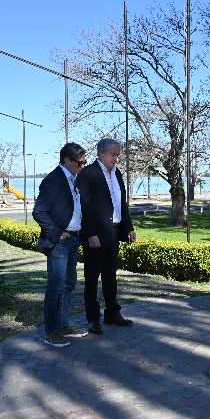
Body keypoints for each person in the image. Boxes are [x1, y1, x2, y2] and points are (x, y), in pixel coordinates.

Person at [32, 143, 89, 346]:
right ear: (66, 159)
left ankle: (63, 325)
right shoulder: (54, 180)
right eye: (79, 163)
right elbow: (39, 212)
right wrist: (57, 233)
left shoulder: (73, 178)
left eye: (84, 162)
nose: (83, 166)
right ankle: (51, 331)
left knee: (68, 284)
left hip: (74, 238)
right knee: (56, 286)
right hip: (60, 242)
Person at [78, 138, 137, 334]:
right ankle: (93, 318)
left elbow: (121, 204)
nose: (116, 158)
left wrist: (129, 228)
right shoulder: (87, 173)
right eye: (113, 154)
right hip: (95, 235)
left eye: (118, 155)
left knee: (110, 275)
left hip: (114, 232)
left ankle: (112, 312)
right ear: (101, 152)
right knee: (92, 278)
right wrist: (90, 234)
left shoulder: (117, 173)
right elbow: (84, 207)